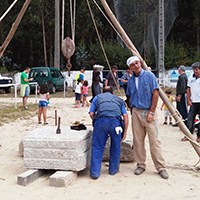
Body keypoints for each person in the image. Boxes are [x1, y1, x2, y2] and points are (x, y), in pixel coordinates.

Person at [126, 55, 169, 179]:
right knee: (138, 140)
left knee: (154, 140)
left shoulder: (150, 76)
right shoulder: (130, 81)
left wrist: (151, 112)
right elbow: (129, 96)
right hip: (136, 111)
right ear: (130, 68)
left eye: (137, 63)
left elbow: (155, 95)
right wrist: (131, 110)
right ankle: (140, 164)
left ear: (140, 63)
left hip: (148, 111)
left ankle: (160, 167)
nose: (136, 66)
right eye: (133, 65)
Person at [89, 86, 128, 179]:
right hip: (116, 123)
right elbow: (125, 116)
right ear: (113, 92)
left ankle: (95, 173)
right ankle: (113, 170)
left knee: (97, 147)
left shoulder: (97, 97)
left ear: (103, 92)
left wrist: (96, 121)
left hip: (101, 121)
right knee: (116, 147)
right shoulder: (119, 100)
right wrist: (125, 132)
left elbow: (91, 113)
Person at [182, 62, 200, 143]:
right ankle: (188, 135)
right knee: (190, 119)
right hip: (194, 101)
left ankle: (199, 136)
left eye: (196, 69)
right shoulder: (190, 78)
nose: (195, 71)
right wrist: (189, 100)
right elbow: (188, 89)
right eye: (194, 69)